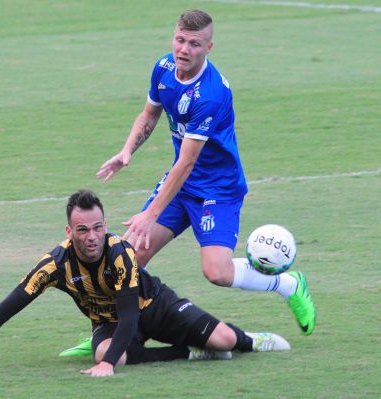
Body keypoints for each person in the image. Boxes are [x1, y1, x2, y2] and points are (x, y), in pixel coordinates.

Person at [61, 9, 315, 357]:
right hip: (181, 185)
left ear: (208, 47)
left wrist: (150, 213)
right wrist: (127, 150)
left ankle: (287, 283)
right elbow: (149, 114)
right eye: (180, 40)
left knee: (217, 272)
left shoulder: (211, 94)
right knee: (130, 256)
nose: (184, 49)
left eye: (194, 44)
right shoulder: (164, 68)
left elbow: (187, 161)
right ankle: (108, 332)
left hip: (217, 190)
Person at [0, 190, 290, 377]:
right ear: (69, 232)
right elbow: (11, 304)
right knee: (105, 352)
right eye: (83, 230)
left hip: (156, 307)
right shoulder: (54, 264)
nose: (92, 237)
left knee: (226, 340)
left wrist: (108, 364)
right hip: (109, 321)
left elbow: (131, 314)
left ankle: (251, 339)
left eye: (98, 227)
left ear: (105, 224)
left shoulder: (121, 254)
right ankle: (189, 352)